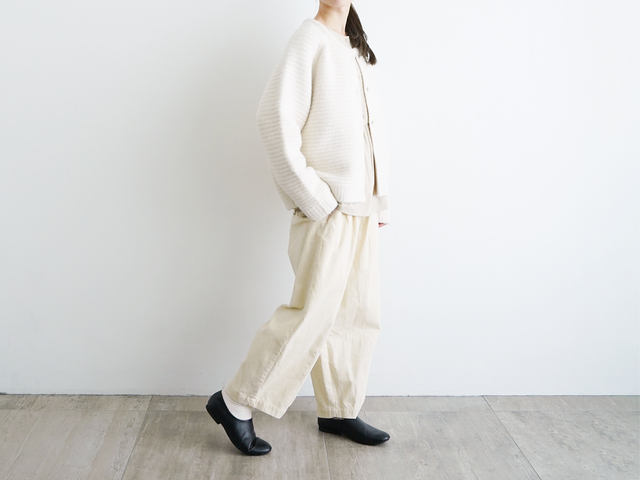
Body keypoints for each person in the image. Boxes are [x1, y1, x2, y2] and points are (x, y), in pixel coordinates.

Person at [206, 0, 392, 456]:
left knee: (356, 312)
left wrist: (379, 196)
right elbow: (273, 119)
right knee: (311, 312)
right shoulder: (309, 39)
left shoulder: (354, 46)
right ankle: (235, 401)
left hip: (360, 204)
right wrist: (314, 198)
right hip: (329, 207)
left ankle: (339, 409)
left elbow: (368, 130)